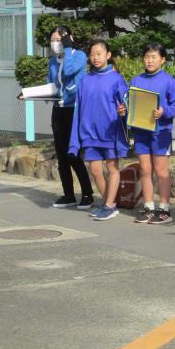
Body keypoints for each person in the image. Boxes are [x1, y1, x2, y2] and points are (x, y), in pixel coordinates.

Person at [119, 43, 175, 225]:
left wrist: (164, 112)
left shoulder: (169, 81)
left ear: (163, 60)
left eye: (154, 57)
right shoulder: (136, 81)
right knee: (145, 170)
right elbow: (130, 104)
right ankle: (148, 207)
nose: (150, 60)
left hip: (161, 133)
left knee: (161, 171)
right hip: (141, 132)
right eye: (147, 57)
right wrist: (124, 110)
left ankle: (164, 208)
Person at [68, 40, 128, 221]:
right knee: (95, 170)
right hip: (89, 133)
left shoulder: (116, 79)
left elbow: (127, 104)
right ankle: (109, 203)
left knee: (112, 168)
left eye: (99, 53)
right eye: (92, 54)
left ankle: (109, 205)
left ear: (108, 55)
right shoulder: (85, 80)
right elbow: (78, 109)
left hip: (110, 132)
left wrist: (124, 110)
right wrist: (75, 139)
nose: (95, 57)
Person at [46, 26, 94, 210]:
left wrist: (67, 48)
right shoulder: (52, 61)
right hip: (58, 109)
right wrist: (34, 94)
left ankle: (87, 194)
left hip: (73, 109)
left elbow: (68, 71)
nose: (55, 43)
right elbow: (51, 85)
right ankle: (68, 194)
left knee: (73, 153)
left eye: (59, 39)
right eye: (52, 40)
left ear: (69, 39)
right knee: (61, 155)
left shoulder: (78, 55)